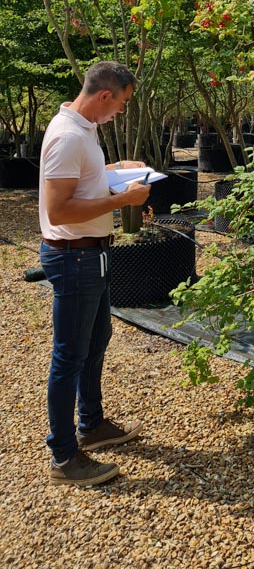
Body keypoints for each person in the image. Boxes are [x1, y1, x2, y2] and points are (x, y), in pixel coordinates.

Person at [39, 61, 152, 487]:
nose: (121, 111)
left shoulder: (83, 128)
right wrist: (122, 200)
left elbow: (83, 180)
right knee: (69, 357)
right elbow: (59, 210)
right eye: (122, 104)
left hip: (91, 255)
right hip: (74, 259)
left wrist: (116, 170)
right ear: (105, 95)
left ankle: (91, 424)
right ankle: (64, 456)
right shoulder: (68, 136)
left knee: (97, 339)